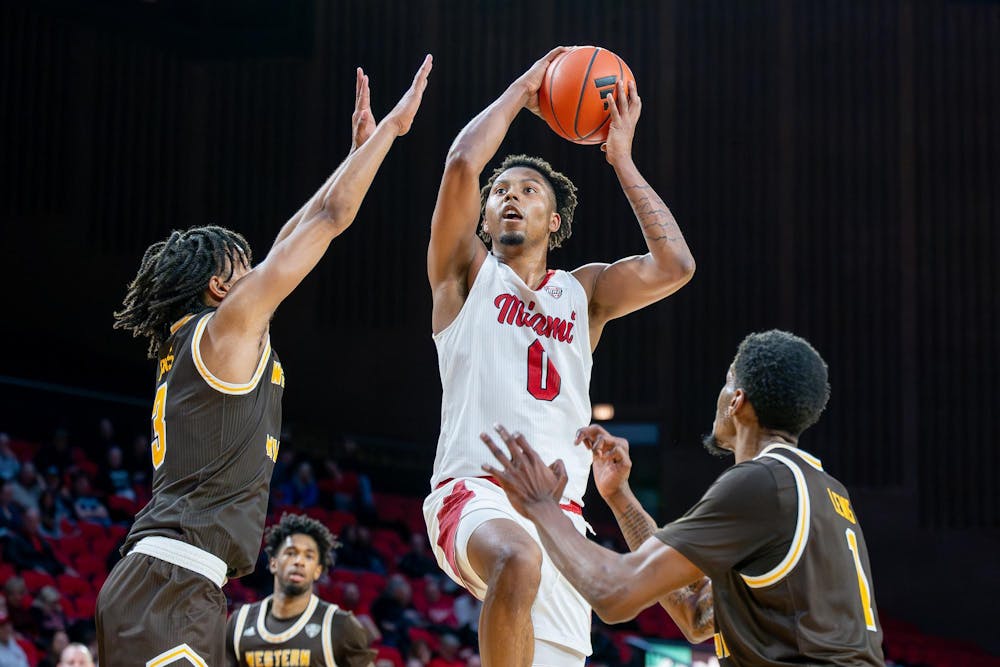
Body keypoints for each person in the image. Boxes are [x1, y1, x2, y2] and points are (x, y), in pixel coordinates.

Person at [96, 56, 433, 667]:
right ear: (220, 288)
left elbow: (294, 234)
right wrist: (391, 134)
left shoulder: (199, 340)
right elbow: (329, 219)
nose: (257, 273)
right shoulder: (222, 331)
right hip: (169, 586)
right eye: (241, 267)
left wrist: (352, 156)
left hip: (171, 585)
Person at [422, 47, 695, 666]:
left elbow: (676, 266)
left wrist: (620, 159)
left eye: (529, 190)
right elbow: (463, 162)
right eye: (500, 193)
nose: (510, 197)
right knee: (515, 559)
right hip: (477, 492)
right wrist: (526, 89)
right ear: (485, 217)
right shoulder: (463, 277)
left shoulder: (585, 292)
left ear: (556, 222)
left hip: (564, 516)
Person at [482, 330, 885, 665]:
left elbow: (614, 594)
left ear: (738, 400)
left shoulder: (762, 483)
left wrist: (541, 507)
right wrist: (620, 497)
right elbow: (696, 614)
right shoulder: (823, 489)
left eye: (728, 381)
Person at [226, 513, 375, 667]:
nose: (299, 562)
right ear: (273, 563)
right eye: (291, 553)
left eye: (309, 556)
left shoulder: (340, 625)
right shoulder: (240, 622)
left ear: (318, 570)